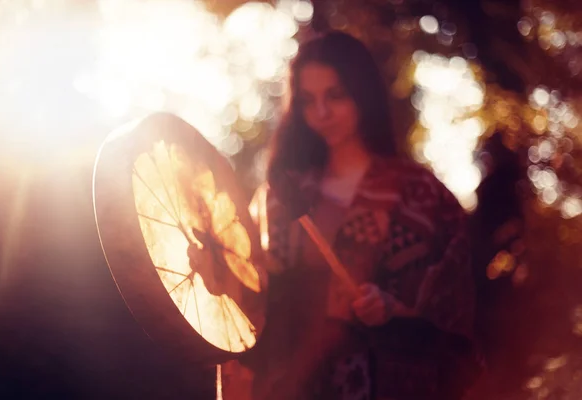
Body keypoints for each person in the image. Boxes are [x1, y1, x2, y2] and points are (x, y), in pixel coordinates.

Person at [190, 31, 479, 400]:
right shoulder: (280, 197)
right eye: (308, 101)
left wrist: (397, 306)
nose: (321, 114)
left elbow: (455, 298)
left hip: (393, 385)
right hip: (290, 384)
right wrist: (211, 265)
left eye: (335, 96)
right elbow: (250, 290)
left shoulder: (418, 193)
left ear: (364, 94)